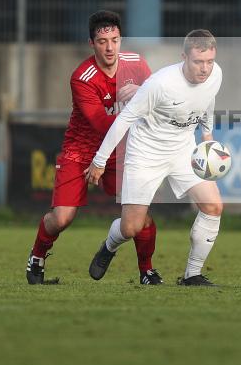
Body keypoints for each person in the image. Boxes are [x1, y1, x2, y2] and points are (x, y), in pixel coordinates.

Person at [25, 10, 163, 286]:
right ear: (92, 43)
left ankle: (146, 271)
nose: (110, 47)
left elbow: (157, 103)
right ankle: (37, 258)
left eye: (114, 39)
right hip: (81, 150)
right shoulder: (83, 77)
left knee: (139, 218)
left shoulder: (137, 65)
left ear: (121, 39)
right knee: (62, 218)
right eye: (102, 42)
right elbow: (101, 123)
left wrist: (144, 99)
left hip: (121, 151)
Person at [84, 29, 225, 287]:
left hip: (183, 150)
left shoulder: (215, 74)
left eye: (209, 61)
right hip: (146, 153)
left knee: (213, 206)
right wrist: (99, 160)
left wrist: (207, 134)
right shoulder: (160, 84)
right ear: (184, 57)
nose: (205, 69)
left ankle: (192, 274)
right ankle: (109, 246)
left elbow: (208, 101)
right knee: (131, 228)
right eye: (198, 62)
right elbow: (124, 119)